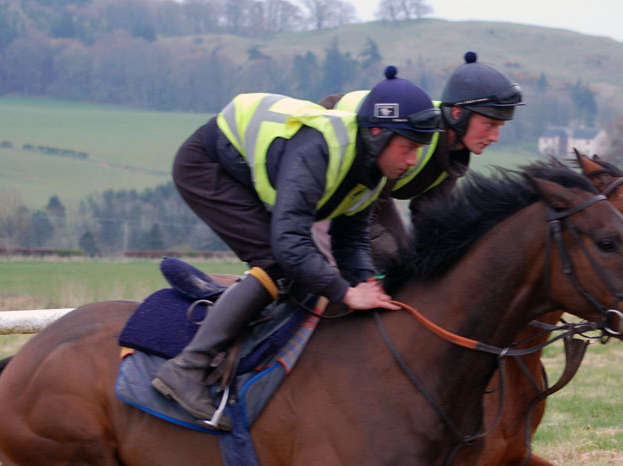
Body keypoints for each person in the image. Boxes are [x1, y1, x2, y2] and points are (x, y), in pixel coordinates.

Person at [151, 66, 443, 430]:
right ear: (378, 133)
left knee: (305, 273)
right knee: (278, 264)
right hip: (207, 165)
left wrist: (368, 285)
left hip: (247, 169)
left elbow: (350, 239)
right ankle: (187, 367)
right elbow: (290, 244)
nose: (414, 160)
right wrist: (344, 293)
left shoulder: (374, 168)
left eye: (419, 149)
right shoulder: (321, 149)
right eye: (409, 147)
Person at [316, 51, 524, 268]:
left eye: (499, 127)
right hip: (329, 160)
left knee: (405, 259)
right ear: (457, 113)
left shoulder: (455, 155)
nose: (495, 137)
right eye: (489, 125)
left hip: (376, 194)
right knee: (371, 262)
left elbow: (430, 218)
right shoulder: (416, 135)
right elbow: (364, 218)